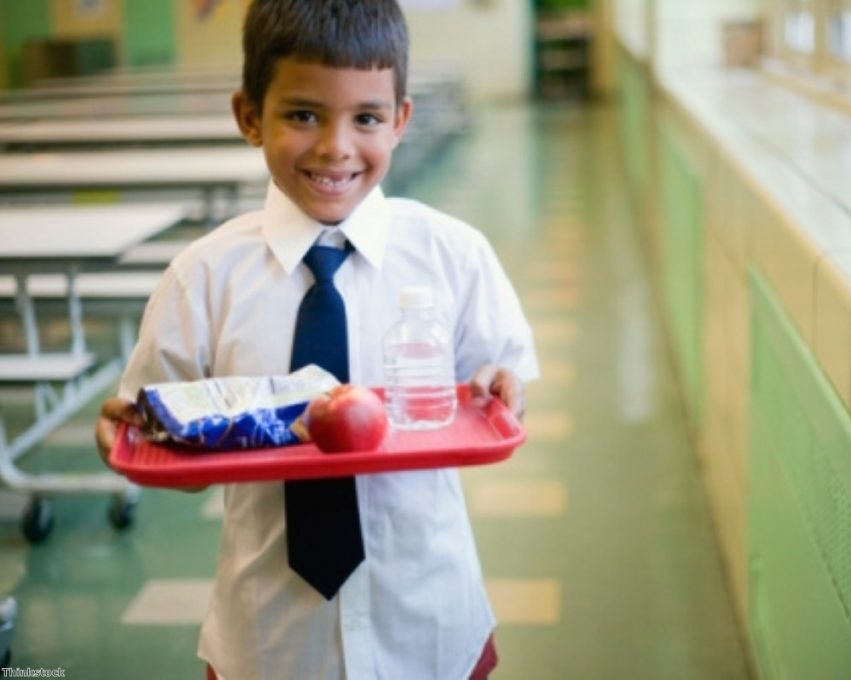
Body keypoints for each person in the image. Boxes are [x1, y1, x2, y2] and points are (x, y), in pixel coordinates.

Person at [93, 1, 538, 677]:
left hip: (426, 622)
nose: (335, 147)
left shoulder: (455, 256)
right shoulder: (203, 278)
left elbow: (498, 396)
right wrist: (132, 437)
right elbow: (162, 439)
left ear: (400, 122)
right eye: (303, 115)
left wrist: (499, 388)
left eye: (366, 118)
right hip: (271, 639)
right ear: (249, 116)